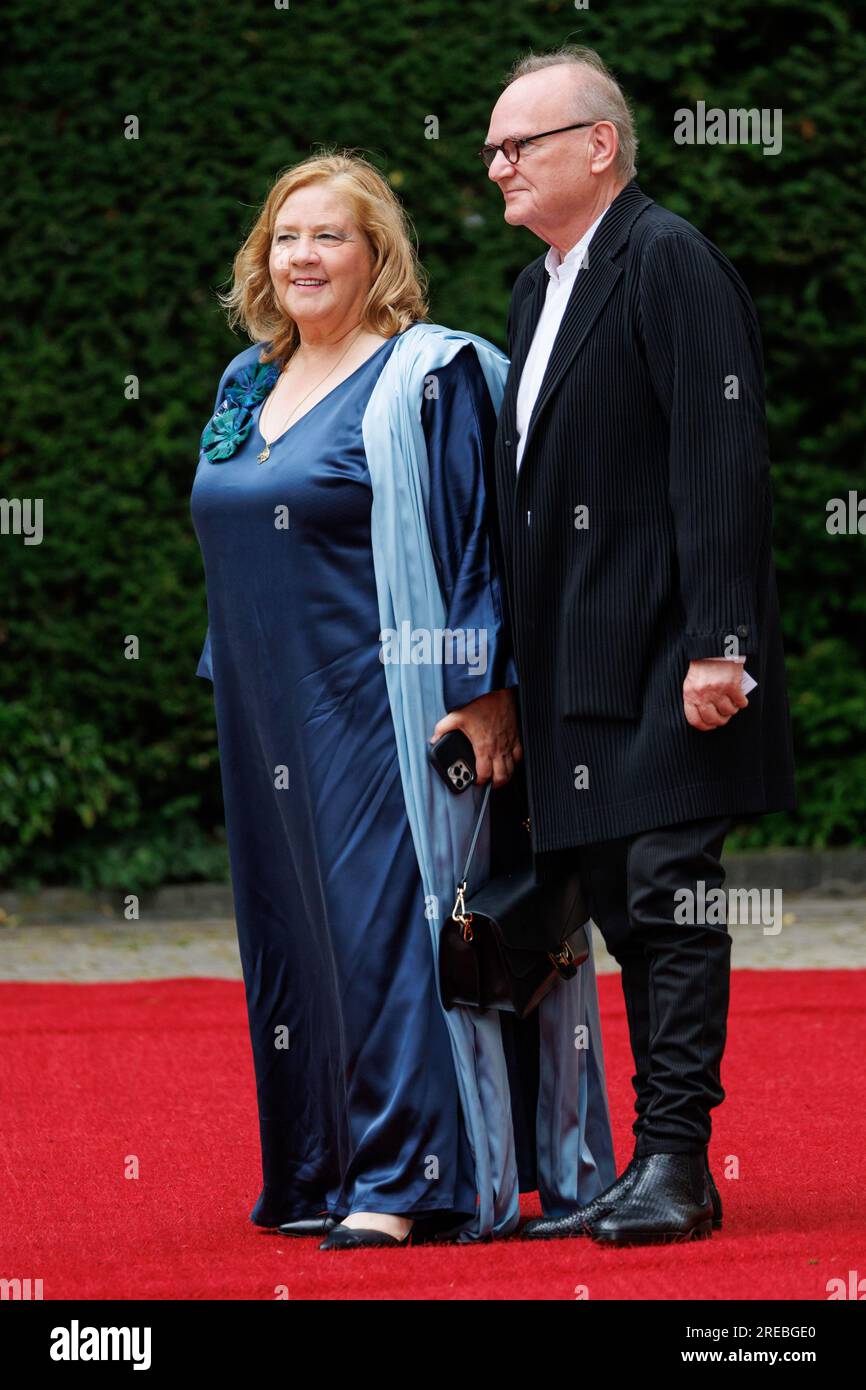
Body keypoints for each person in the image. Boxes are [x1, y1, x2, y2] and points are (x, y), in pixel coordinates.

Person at [190, 152, 615, 1249]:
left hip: (386, 704)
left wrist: (486, 693)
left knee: (389, 932)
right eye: (286, 236)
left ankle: (404, 1179)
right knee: (291, 938)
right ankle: (321, 1165)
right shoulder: (246, 382)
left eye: (330, 234)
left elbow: (482, 541)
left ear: (377, 254)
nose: (303, 255)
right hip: (264, 709)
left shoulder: (427, 378)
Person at [481, 47, 796, 1245]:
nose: (497, 163)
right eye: (494, 148)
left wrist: (720, 644)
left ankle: (677, 1165)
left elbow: (719, 462)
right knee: (618, 907)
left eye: (521, 144)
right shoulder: (534, 286)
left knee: (667, 900)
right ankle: (648, 1163)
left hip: (674, 657)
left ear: (598, 144)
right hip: (580, 671)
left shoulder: (667, 258)